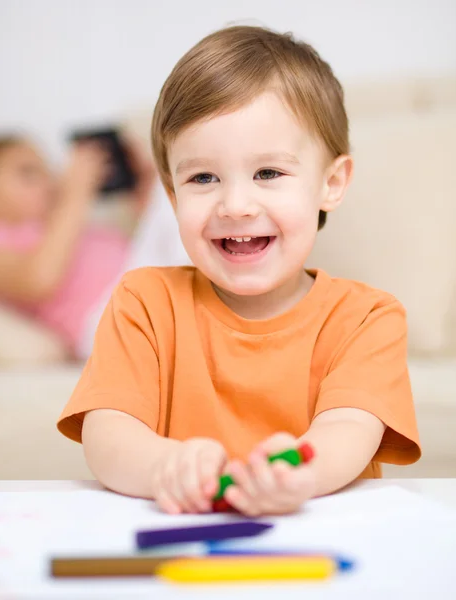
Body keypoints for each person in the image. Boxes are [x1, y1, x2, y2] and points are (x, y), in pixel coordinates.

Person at [58, 25, 421, 517]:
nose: (235, 204)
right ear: (172, 196)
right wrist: (167, 464)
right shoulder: (143, 301)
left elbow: (348, 430)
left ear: (331, 184)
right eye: (203, 177)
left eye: (268, 173)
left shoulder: (367, 317)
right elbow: (107, 434)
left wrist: (301, 473)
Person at [0, 134, 188, 360]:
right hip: (106, 316)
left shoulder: (62, 223)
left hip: (143, 282)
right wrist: (76, 193)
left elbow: (143, 249)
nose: (48, 181)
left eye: (47, 171)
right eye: (28, 173)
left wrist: (143, 194)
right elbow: (40, 278)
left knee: (169, 188)